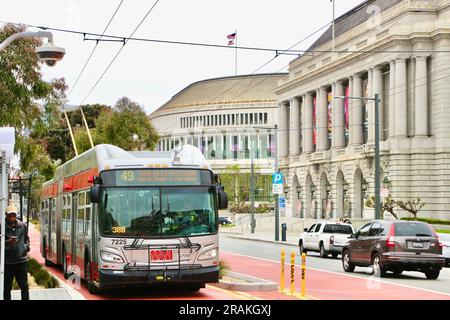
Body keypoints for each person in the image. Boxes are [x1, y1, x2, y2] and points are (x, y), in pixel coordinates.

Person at [2, 205, 30, 300]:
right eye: (10, 216)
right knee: (6, 288)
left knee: (24, 287)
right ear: (6, 216)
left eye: (14, 216)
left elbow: (27, 239)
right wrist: (8, 242)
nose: (12, 218)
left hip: (21, 261)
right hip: (7, 262)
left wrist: (26, 247)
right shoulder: (2, 227)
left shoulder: (22, 226)